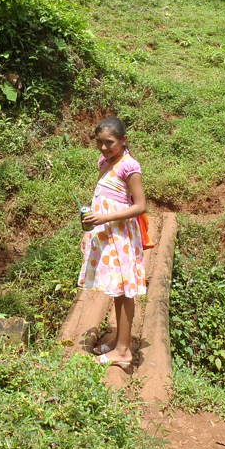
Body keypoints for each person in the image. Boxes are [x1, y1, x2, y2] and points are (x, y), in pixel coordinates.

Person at [78, 116, 149, 371]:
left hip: (121, 237)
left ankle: (123, 351)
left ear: (123, 140)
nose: (104, 147)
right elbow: (99, 197)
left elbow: (141, 206)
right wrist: (89, 230)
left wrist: (105, 217)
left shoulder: (129, 166)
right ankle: (120, 343)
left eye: (109, 143)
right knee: (118, 291)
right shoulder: (105, 162)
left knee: (124, 292)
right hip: (106, 234)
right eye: (100, 142)